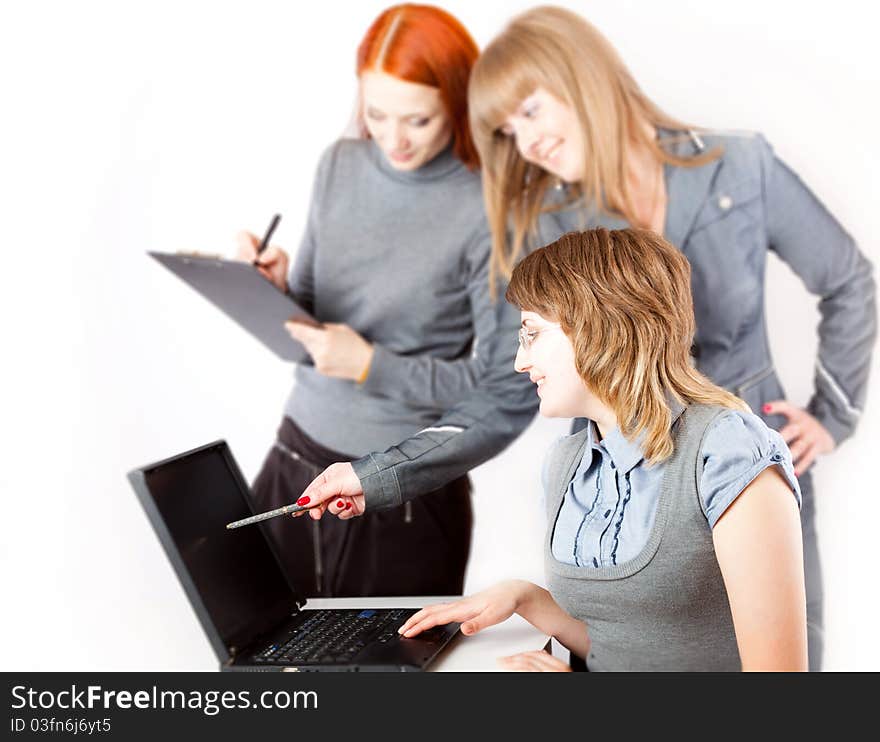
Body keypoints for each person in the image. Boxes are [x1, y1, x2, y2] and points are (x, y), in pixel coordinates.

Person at [299, 6, 875, 670]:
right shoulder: (549, 231)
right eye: (509, 132)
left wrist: (833, 416)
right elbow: (507, 391)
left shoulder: (738, 167)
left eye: (533, 111)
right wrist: (377, 475)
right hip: (633, 488)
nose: (528, 142)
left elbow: (848, 280)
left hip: (740, 476)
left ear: (584, 77)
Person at [398, 227, 808, 672]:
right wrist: (525, 597)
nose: (521, 362)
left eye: (532, 334)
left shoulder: (728, 451)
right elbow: (628, 645)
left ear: (600, 327)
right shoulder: (567, 464)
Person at [235, 3, 515, 598]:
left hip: (399, 489)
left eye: (417, 119)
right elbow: (308, 331)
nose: (393, 138)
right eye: (376, 113)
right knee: (254, 662)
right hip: (295, 458)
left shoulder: (489, 207)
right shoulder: (339, 164)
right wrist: (275, 286)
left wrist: (370, 365)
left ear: (460, 102)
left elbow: (500, 385)